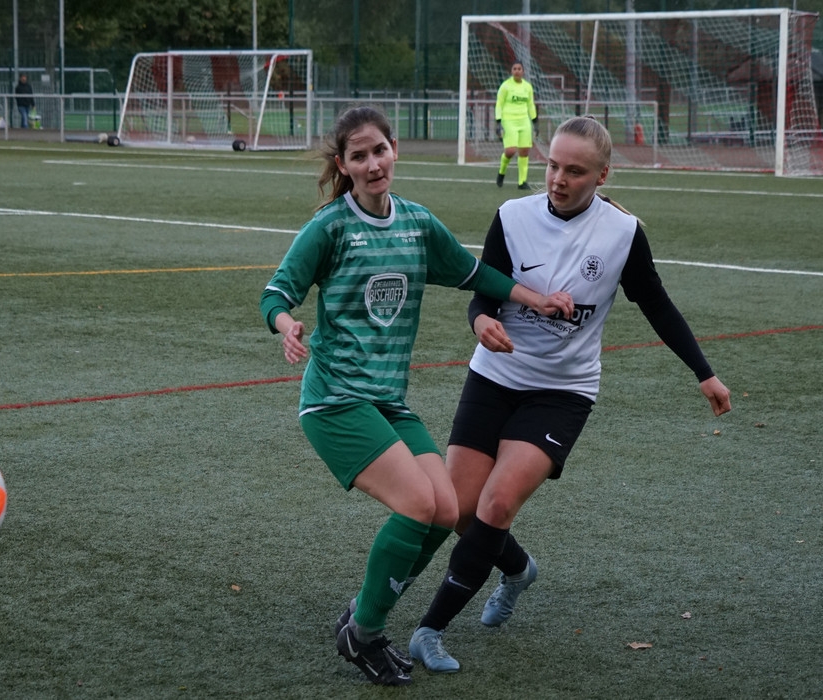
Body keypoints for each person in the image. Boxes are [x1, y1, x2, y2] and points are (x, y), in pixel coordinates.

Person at [259, 105, 573, 687]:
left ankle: (362, 613)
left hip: (387, 400)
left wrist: (533, 299)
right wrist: (286, 325)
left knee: (449, 509)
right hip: (334, 401)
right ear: (344, 166)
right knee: (419, 506)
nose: (373, 164)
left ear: (394, 149)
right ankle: (365, 632)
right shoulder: (329, 227)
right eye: (359, 156)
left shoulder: (416, 222)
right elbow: (276, 293)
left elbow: (472, 273)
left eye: (380, 150)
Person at [407, 115, 732, 673]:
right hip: (494, 376)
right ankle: (517, 569)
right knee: (461, 510)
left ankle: (428, 631)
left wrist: (703, 372)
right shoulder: (513, 216)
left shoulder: (623, 233)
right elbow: (483, 292)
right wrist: (481, 321)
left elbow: (655, 301)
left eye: (574, 171)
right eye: (553, 165)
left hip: (562, 391)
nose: (557, 178)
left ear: (602, 175)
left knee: (498, 503)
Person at [495, 61, 538, 191]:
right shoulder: (506, 86)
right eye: (515, 68)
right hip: (509, 120)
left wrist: (535, 122)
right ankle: (501, 172)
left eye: (519, 68)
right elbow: (499, 104)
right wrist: (498, 122)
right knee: (510, 151)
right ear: (511, 71)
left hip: (524, 120)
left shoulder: (527, 87)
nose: (517, 71)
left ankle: (522, 182)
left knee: (524, 151)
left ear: (523, 71)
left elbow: (531, 105)